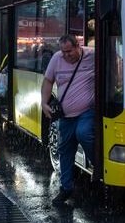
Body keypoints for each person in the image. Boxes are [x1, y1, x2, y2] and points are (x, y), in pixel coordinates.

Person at [40, 34, 95, 207]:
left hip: (87, 111)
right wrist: (44, 102)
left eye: (69, 51)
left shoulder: (92, 55)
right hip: (66, 115)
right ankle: (66, 188)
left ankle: (98, 168)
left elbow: (117, 63)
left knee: (84, 133)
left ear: (78, 46)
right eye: (63, 52)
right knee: (65, 150)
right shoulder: (57, 59)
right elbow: (48, 81)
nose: (66, 55)